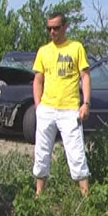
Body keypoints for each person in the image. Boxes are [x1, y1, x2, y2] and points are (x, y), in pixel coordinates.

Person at [32, 11, 91, 196]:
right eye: (49, 28)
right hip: (47, 109)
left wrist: (86, 103)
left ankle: (85, 197)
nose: (52, 32)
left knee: (76, 153)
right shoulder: (43, 51)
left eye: (56, 28)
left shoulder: (76, 47)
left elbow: (85, 76)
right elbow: (38, 79)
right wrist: (38, 106)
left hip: (69, 110)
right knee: (41, 152)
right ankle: (39, 195)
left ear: (64, 27)